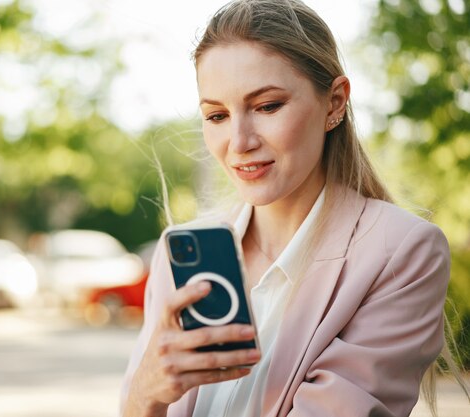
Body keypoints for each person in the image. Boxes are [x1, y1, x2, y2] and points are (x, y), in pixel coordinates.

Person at [120, 1, 463, 416]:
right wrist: (144, 396)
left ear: (335, 103)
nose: (239, 141)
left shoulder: (400, 252)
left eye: (267, 106)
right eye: (217, 115)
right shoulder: (179, 255)